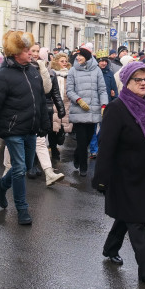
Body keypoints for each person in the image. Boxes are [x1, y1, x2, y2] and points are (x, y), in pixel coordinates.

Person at [94, 61, 145, 285]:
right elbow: (106, 146)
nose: (143, 83)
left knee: (126, 216)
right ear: (126, 82)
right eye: (138, 79)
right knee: (137, 221)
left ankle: (110, 248)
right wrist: (101, 179)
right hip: (124, 176)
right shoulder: (117, 109)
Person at [0, 31, 46, 225]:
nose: (31, 53)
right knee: (19, 168)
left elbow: (41, 101)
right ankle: (22, 208)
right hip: (12, 130)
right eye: (27, 50)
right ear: (16, 52)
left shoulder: (33, 71)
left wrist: (44, 123)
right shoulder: (3, 75)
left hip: (31, 128)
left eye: (31, 50)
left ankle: (1, 186)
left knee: (27, 166)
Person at [20, 45, 65, 187]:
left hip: (43, 108)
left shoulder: (47, 71)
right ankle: (28, 167)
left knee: (40, 140)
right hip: (25, 111)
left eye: (37, 51)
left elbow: (53, 91)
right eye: (31, 51)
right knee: (22, 144)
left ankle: (47, 171)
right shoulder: (22, 69)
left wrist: (60, 108)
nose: (34, 54)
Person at [65, 47, 107, 176]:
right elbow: (69, 91)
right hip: (79, 111)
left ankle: (77, 156)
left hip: (93, 111)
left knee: (88, 139)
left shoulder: (97, 70)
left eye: (81, 56)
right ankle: (83, 167)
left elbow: (102, 89)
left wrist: (104, 105)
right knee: (82, 141)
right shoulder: (72, 71)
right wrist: (78, 100)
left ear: (87, 57)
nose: (78, 58)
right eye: (77, 56)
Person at [50, 53, 72, 163]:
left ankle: (57, 145)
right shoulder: (52, 74)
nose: (64, 63)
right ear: (56, 62)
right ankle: (53, 150)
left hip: (67, 104)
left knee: (62, 128)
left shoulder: (70, 74)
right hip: (54, 103)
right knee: (53, 129)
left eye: (66, 61)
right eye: (62, 61)